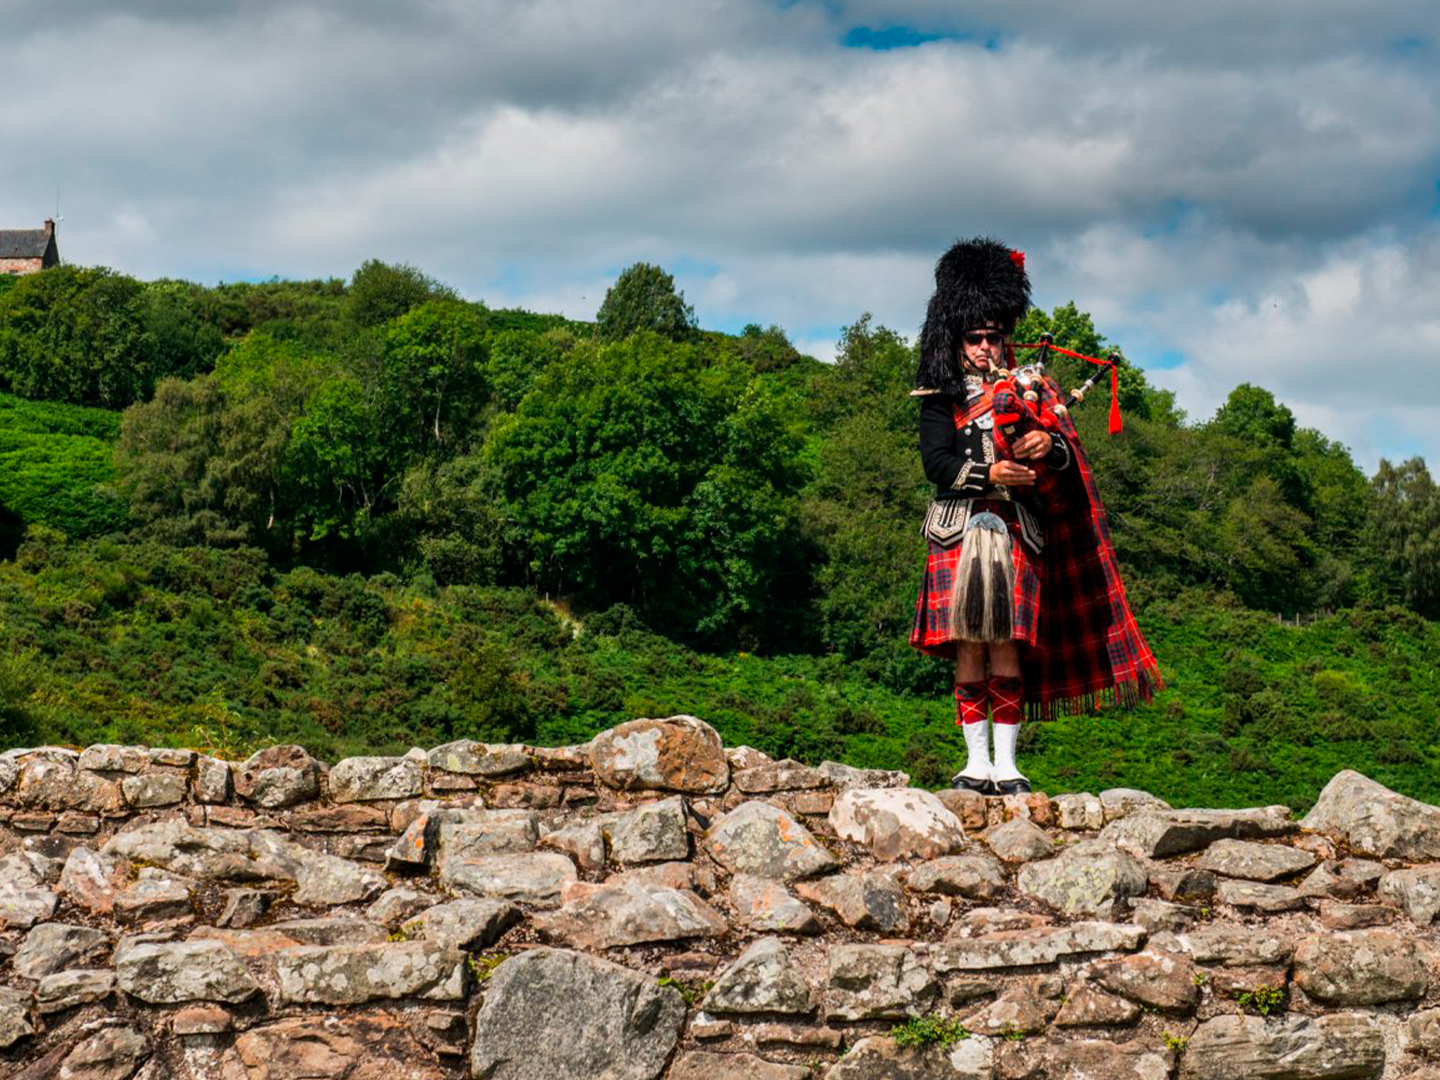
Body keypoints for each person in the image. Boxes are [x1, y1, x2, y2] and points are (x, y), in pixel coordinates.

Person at [909, 237, 1161, 795]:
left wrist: (1050, 446)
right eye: (973, 337)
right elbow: (936, 464)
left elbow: (1071, 461)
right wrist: (991, 476)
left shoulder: (1034, 389)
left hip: (1019, 533)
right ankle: (975, 765)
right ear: (957, 336)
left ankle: (1008, 765)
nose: (982, 347)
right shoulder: (940, 394)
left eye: (992, 337)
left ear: (1005, 336)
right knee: (969, 647)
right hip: (957, 529)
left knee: (1008, 648)